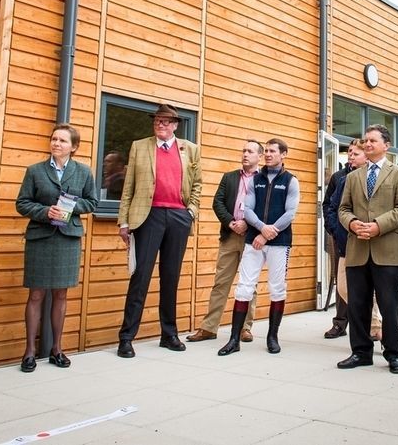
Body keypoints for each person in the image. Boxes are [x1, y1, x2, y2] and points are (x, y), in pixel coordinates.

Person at [116, 103, 202, 358]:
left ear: (175, 125)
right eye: (157, 121)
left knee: (171, 277)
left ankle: (169, 334)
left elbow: (197, 184)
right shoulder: (139, 146)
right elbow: (128, 186)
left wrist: (191, 212)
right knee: (140, 276)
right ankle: (126, 338)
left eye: (166, 121)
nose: (161, 125)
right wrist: (123, 221)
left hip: (178, 217)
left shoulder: (190, 149)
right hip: (147, 216)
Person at [15, 124, 98, 372]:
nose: (56, 144)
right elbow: (22, 203)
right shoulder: (35, 171)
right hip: (40, 237)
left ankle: (57, 349)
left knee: (61, 295)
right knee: (36, 295)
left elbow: (92, 202)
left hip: (67, 238)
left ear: (73, 147)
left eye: (62, 140)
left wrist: (71, 207)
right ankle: (29, 351)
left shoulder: (83, 172)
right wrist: (44, 211)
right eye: (54, 139)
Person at [337, 124, 398, 374]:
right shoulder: (352, 176)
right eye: (365, 141)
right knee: (357, 303)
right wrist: (353, 223)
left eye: (373, 141)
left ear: (386, 145)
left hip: (387, 249)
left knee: (388, 304)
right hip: (357, 248)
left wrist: (378, 226)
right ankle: (360, 351)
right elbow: (342, 209)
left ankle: (393, 354)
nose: (367, 144)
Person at [218, 138, 299, 355]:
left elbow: (290, 213)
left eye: (273, 151)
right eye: (267, 151)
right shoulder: (256, 180)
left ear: (284, 154)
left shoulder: (291, 181)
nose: (269, 154)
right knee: (244, 286)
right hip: (253, 240)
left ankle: (272, 337)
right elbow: (248, 210)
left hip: (279, 243)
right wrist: (262, 229)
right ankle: (234, 340)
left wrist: (268, 233)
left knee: (277, 288)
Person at [186, 140, 262, 343]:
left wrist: (247, 223)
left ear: (259, 156)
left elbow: (265, 207)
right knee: (221, 283)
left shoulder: (264, 180)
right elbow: (217, 202)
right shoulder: (229, 177)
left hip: (251, 238)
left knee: (249, 285)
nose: (245, 154)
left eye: (250, 151)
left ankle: (245, 328)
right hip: (229, 236)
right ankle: (209, 328)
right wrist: (230, 222)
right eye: (244, 150)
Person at [322, 139, 363, 340]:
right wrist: (333, 229)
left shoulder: (367, 176)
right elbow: (328, 204)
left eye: (356, 152)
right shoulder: (339, 177)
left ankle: (369, 325)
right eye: (350, 152)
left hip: (363, 237)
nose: (351, 156)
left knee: (362, 282)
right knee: (342, 283)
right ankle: (340, 323)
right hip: (340, 237)